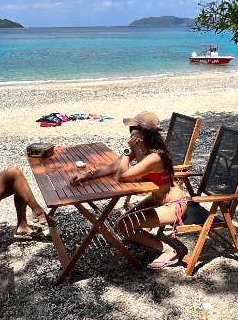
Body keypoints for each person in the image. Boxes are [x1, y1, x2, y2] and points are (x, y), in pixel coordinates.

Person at [70, 111, 187, 269]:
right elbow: (114, 167)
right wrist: (88, 175)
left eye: (132, 128)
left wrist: (128, 150)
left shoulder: (155, 157)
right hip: (157, 199)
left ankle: (169, 251)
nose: (130, 131)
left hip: (174, 206)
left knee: (122, 225)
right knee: (126, 223)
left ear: (140, 133)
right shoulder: (142, 149)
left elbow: (122, 176)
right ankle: (141, 235)